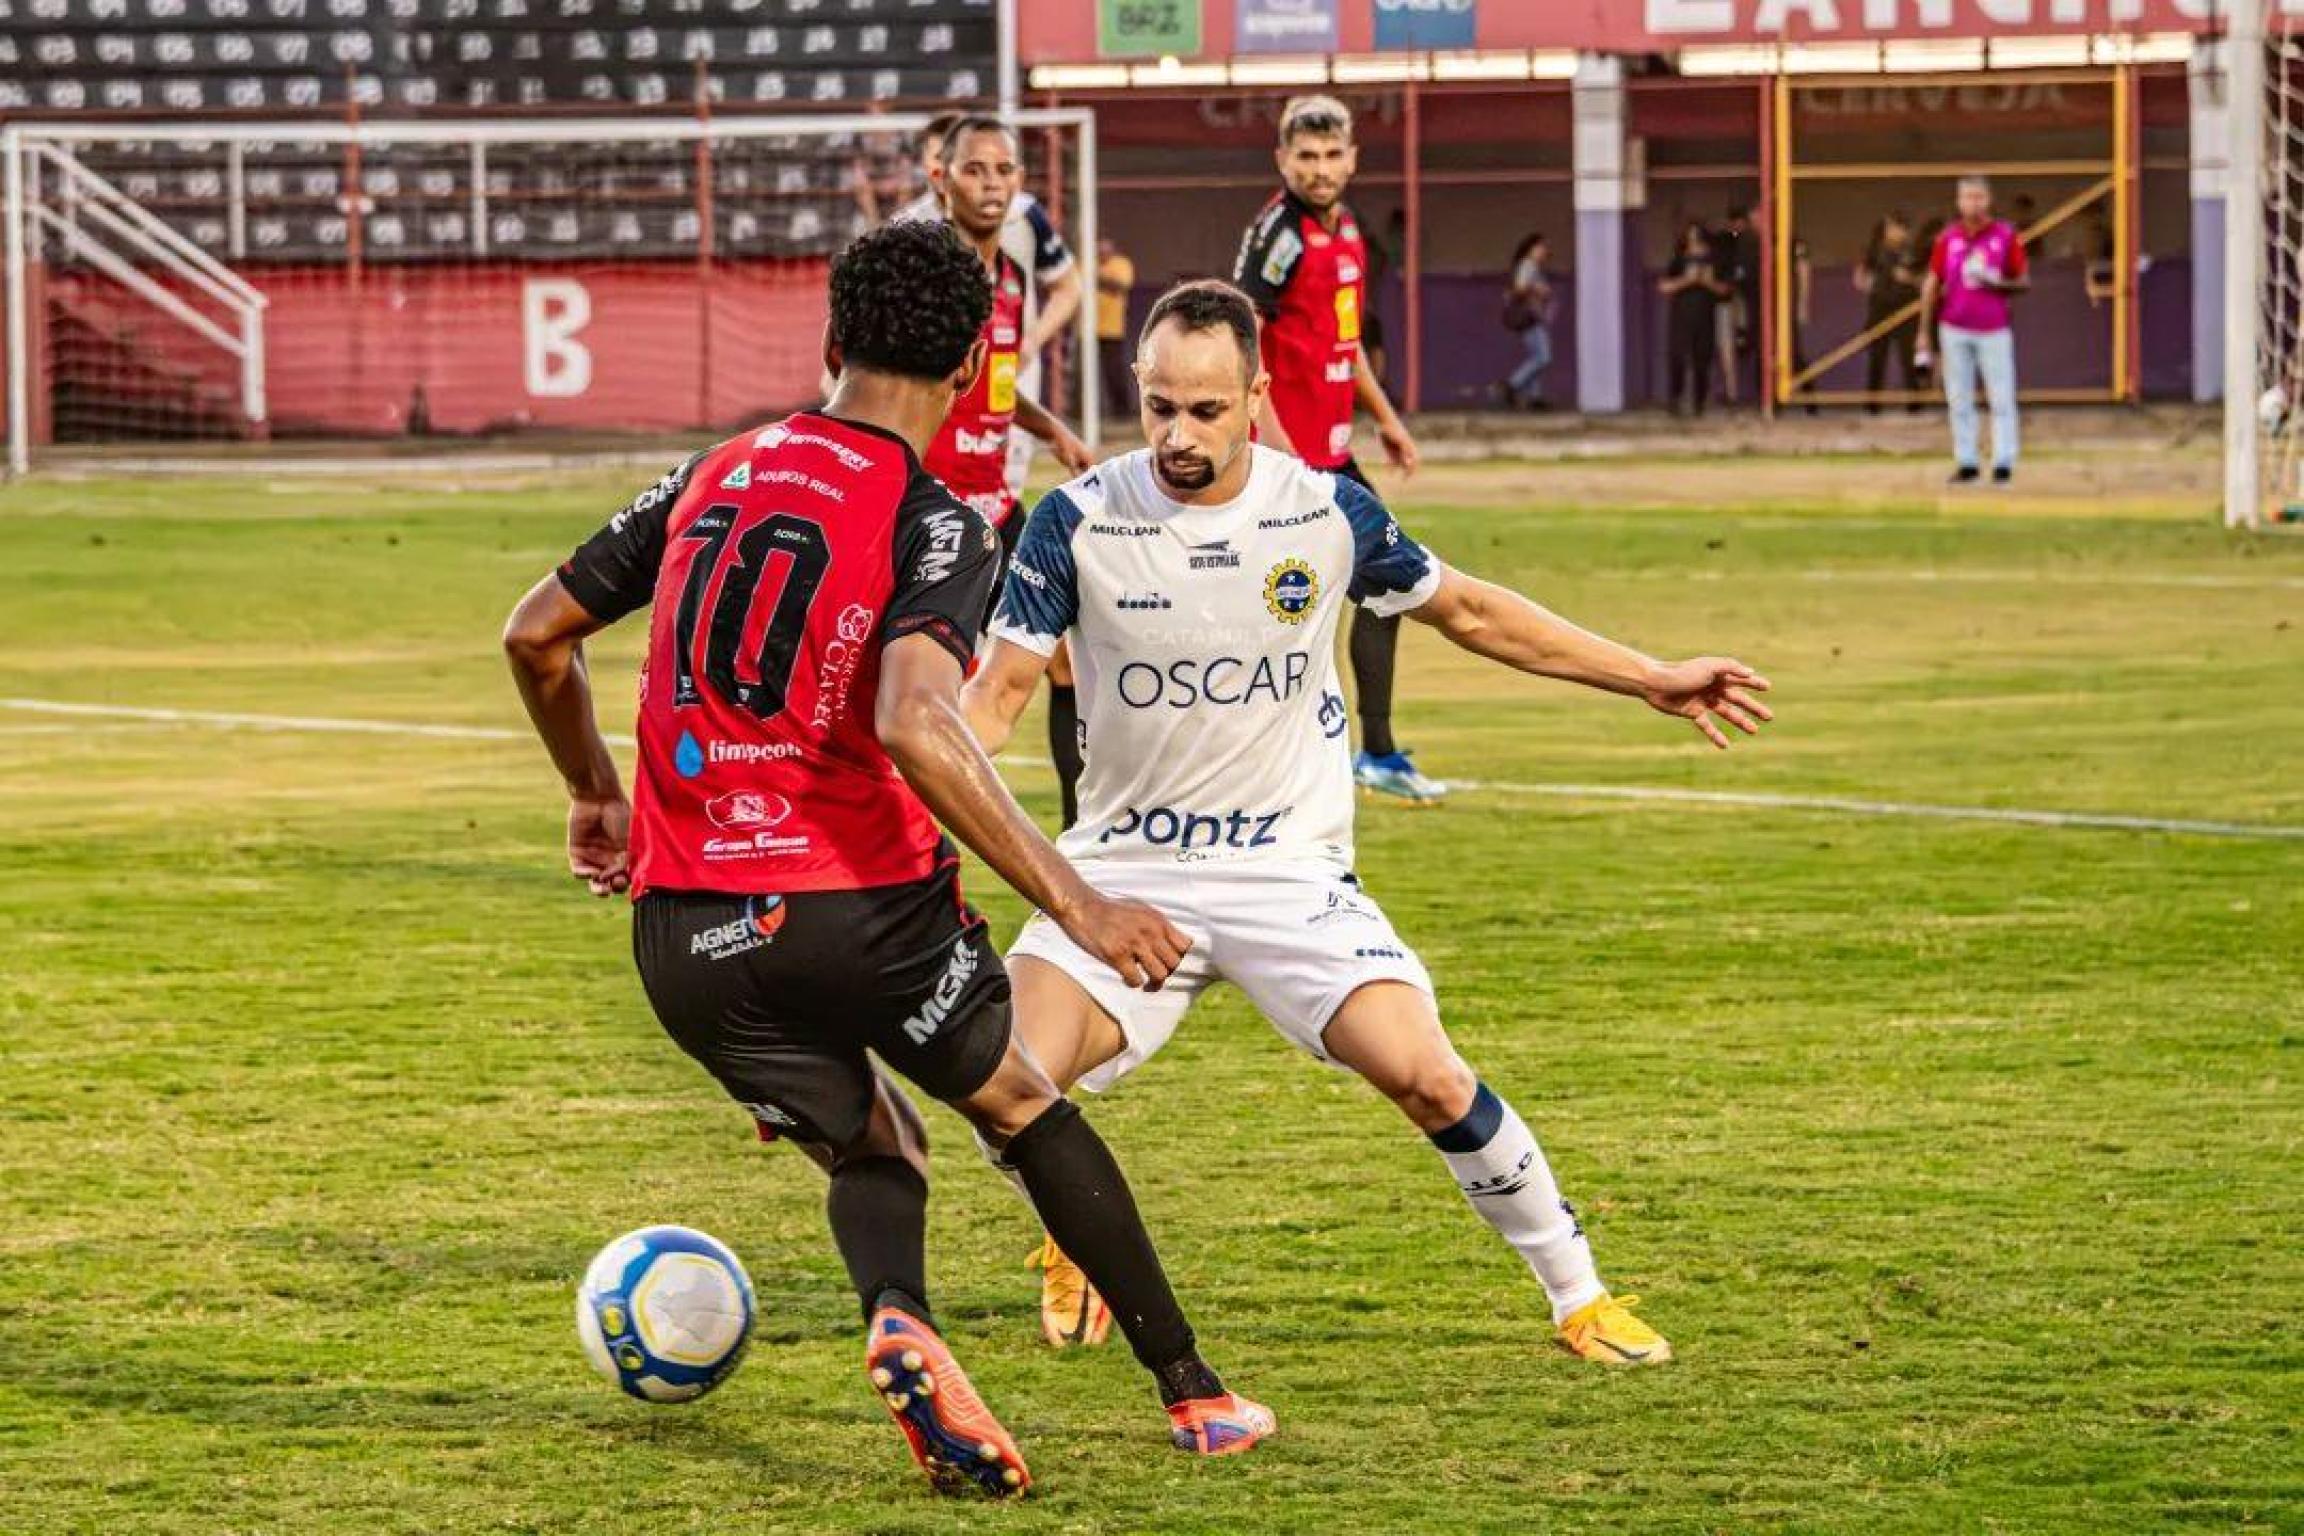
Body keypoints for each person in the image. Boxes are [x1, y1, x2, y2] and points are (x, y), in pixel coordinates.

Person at [499, 223, 1274, 1496]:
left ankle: (902, 1315)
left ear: (828, 343)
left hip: (686, 934)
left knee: (875, 1144)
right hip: (859, 910)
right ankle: (1195, 1393)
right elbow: (919, 721)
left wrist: (596, 792)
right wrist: (1077, 905)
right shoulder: (936, 523)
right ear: (977, 366)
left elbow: (536, 636)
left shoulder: (715, 467)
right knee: (1019, 1105)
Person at [961, 279, 1774, 1367]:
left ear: (1256, 396)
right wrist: (932, 783)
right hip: (1122, 871)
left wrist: (1648, 678)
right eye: (1157, 406)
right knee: (1002, 1076)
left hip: (1288, 873)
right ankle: (1071, 1230)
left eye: (1205, 410)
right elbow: (998, 694)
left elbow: (1474, 611)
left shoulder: (1324, 512)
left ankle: (1579, 1298)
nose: (1177, 435)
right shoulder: (1078, 520)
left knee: (1429, 1075)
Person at [1233, 94, 1438, 805]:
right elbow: (1245, 337)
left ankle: (1376, 752)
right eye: (1306, 157)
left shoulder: (1347, 229)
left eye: (1330, 156)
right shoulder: (1279, 235)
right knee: (1276, 613)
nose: (1319, 170)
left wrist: (1387, 419)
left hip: (1332, 454)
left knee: (1387, 585)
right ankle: (1252, 762)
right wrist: (1278, 449)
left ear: (1351, 159)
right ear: (1283, 160)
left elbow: (1342, 346)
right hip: (1287, 461)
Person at [1916, 174, 2030, 485]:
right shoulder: (1948, 239)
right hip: (1953, 327)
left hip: (1994, 328)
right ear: (1958, 201)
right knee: (1959, 396)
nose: (1973, 203)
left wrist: (1998, 283)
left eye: (1978, 197)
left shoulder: (2005, 236)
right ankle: (1967, 462)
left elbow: (2023, 280)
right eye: (1967, 197)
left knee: (2001, 396)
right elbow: (1932, 283)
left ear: (1988, 200)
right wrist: (1923, 332)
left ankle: (2003, 461)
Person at [1660, 222, 1730, 417]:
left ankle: (1699, 402)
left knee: (1702, 361)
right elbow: (1664, 287)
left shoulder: (1714, 261)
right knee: (1677, 358)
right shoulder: (1678, 260)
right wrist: (1687, 280)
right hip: (1681, 317)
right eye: (1691, 243)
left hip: (1706, 317)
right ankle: (1675, 399)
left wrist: (1707, 282)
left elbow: (1725, 290)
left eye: (1698, 242)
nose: (1695, 248)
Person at [1857, 212, 1924, 410]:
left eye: (1899, 228)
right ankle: (1872, 404)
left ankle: (1915, 403)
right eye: (1891, 227)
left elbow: (1925, 279)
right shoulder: (1875, 250)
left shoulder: (1913, 252)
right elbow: (1860, 275)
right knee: (1877, 357)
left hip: (1906, 309)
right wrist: (1869, 285)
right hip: (1880, 309)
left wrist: (1909, 279)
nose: (1895, 232)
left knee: (1908, 357)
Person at [1706, 205, 1757, 405]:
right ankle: (1731, 392)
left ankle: (1731, 391)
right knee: (1728, 347)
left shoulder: (1738, 242)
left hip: (1730, 300)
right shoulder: (1735, 242)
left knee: (1728, 346)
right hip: (1729, 301)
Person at [1501, 232, 1554, 411]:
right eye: (1541, 247)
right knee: (1543, 357)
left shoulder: (1532, 267)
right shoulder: (1528, 265)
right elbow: (1520, 287)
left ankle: (1535, 397)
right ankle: (1512, 385)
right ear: (1531, 249)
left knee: (1535, 356)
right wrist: (1538, 289)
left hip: (1533, 316)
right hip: (1529, 317)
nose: (1545, 252)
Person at [1096, 234, 1137, 421]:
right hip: (1086, 330)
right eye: (1100, 248)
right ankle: (1082, 414)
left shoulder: (1121, 264)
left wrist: (1097, 277)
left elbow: (1122, 285)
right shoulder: (1087, 262)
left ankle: (1122, 411)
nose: (1103, 252)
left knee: (1115, 372)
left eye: (1106, 248)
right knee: (1083, 376)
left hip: (1112, 329)